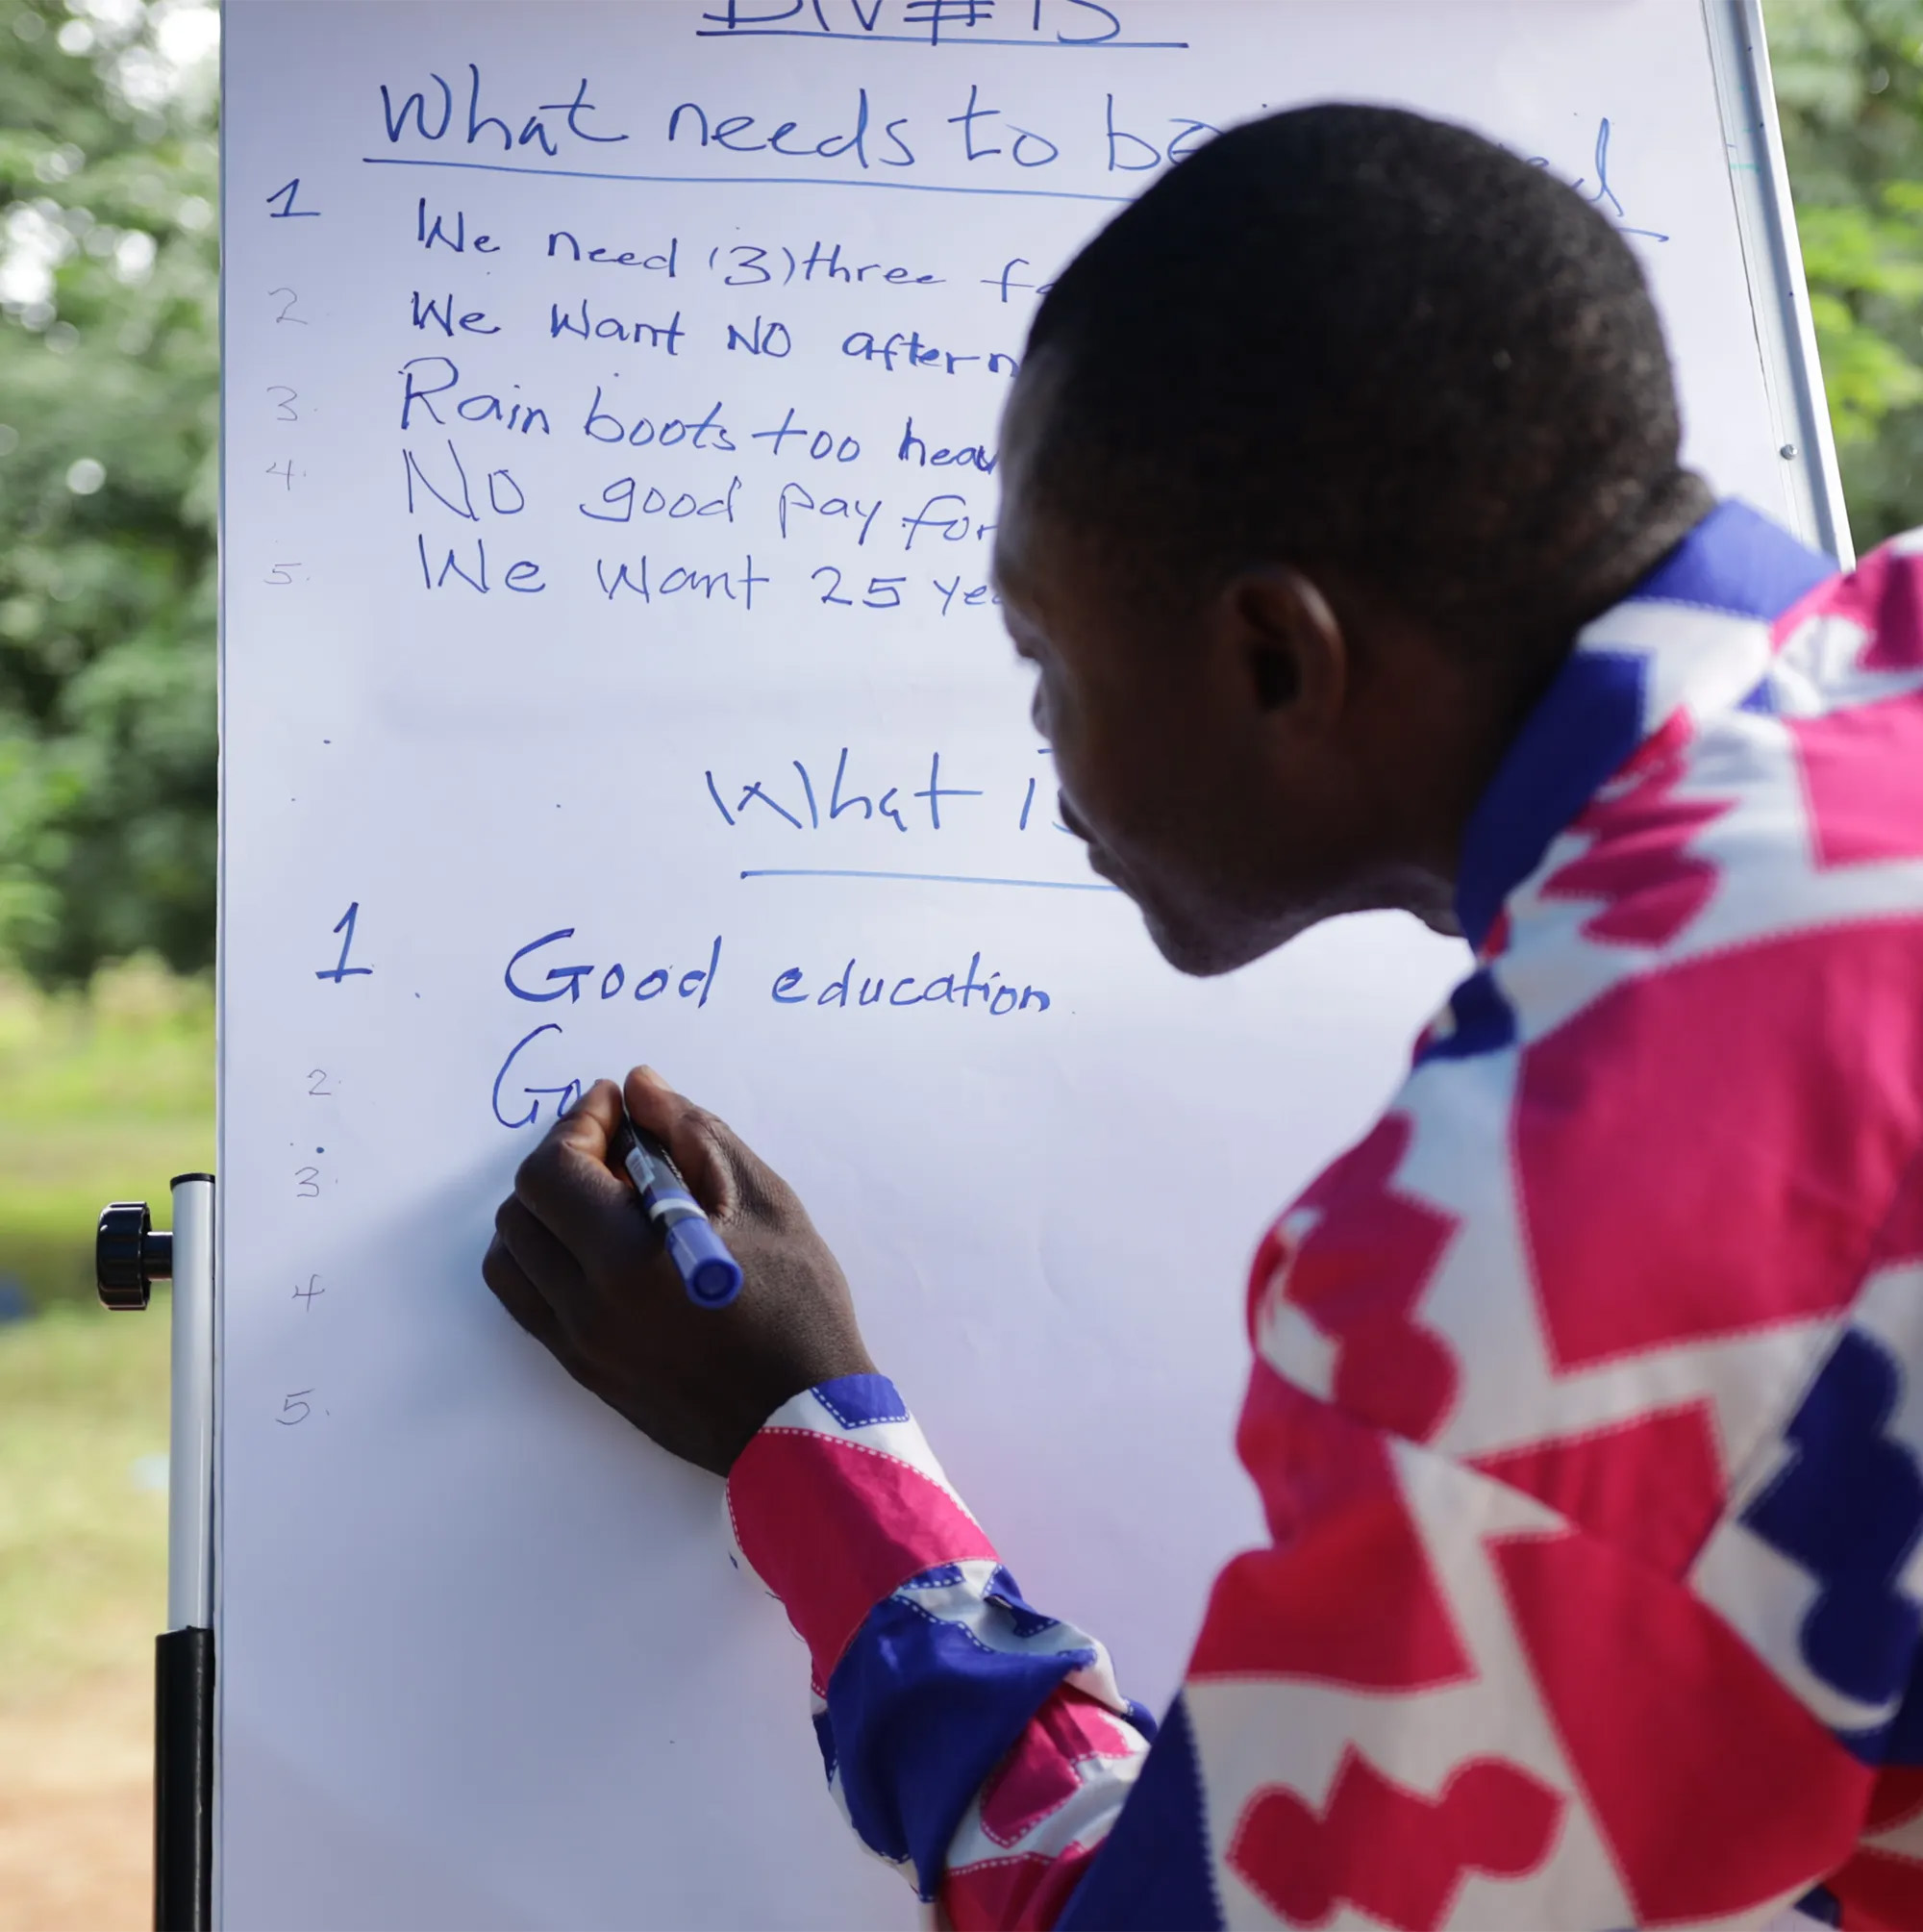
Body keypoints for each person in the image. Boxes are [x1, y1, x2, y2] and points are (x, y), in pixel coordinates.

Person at [482, 104, 1923, 1930]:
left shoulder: (1572, 1241)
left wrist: (806, 1448)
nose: (1037, 739)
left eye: (1042, 658)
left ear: (1274, 661)